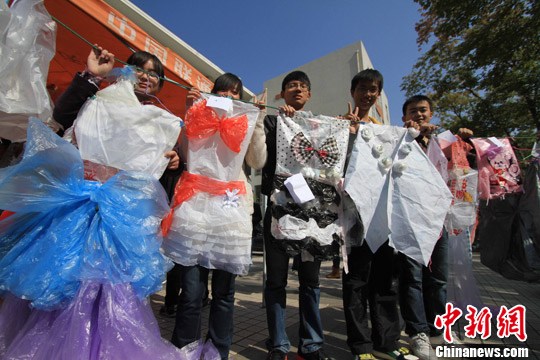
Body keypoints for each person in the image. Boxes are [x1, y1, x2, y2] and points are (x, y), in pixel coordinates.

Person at [0, 45, 185, 358]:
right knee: (65, 284)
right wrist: (91, 77)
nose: (146, 76)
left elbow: (156, 185)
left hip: (123, 220)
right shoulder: (98, 98)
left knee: (111, 291)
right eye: (140, 68)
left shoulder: (163, 121)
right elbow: (60, 118)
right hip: (76, 210)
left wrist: (173, 162)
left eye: (155, 73)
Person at [163, 72, 267, 359]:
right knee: (192, 291)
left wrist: (256, 123)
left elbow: (257, 161)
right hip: (196, 208)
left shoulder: (246, 120)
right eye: (223, 91)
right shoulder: (199, 113)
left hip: (231, 211)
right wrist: (190, 111)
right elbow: (186, 155)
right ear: (213, 94)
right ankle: (183, 349)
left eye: (235, 94)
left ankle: (219, 350)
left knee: (224, 293)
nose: (229, 98)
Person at [262, 70, 336, 360]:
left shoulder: (322, 127)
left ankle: (312, 345)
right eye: (291, 86)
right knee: (276, 282)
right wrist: (282, 121)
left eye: (302, 86)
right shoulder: (272, 121)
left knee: (311, 281)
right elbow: (261, 158)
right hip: (280, 207)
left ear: (309, 94)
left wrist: (347, 128)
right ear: (283, 94)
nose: (297, 89)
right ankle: (278, 345)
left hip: (312, 214)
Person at [340, 69, 407, 360]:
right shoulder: (340, 125)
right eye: (364, 88)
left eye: (374, 90)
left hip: (383, 218)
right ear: (353, 91)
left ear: (378, 94)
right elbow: (333, 168)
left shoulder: (385, 130)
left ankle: (387, 341)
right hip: (355, 218)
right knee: (356, 282)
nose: (368, 94)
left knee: (384, 281)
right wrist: (350, 135)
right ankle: (361, 346)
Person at [399, 95, 469, 360]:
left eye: (423, 111)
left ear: (431, 114)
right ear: (404, 115)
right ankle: (417, 332)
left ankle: (438, 330)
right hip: (409, 217)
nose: (419, 115)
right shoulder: (401, 140)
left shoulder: (444, 143)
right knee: (412, 277)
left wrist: (463, 141)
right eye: (413, 111)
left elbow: (461, 172)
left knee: (438, 277)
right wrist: (415, 137)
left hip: (439, 218)